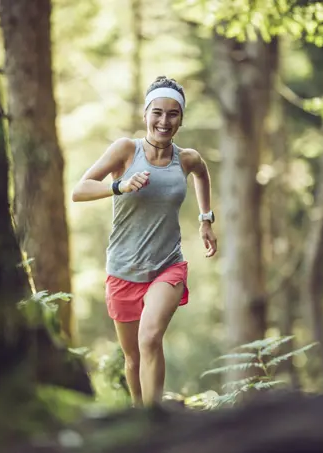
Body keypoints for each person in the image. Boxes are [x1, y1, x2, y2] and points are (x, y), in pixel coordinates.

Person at [71, 76, 218, 408]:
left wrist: (206, 219)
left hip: (168, 267)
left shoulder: (187, 158)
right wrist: (118, 186)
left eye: (173, 114)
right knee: (133, 357)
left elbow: (202, 173)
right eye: (158, 112)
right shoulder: (126, 150)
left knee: (150, 338)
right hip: (123, 270)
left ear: (181, 118)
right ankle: (141, 419)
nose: (164, 121)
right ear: (145, 114)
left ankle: (155, 418)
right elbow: (79, 191)